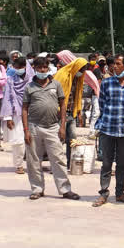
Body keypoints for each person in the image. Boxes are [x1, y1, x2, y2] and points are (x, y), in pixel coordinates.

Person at [23, 56, 80, 201]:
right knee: (34, 161)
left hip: (53, 127)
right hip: (34, 127)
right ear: (34, 69)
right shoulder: (29, 87)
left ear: (48, 68)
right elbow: (24, 109)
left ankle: (65, 189)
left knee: (58, 159)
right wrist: (26, 130)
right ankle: (37, 189)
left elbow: (63, 105)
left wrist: (62, 126)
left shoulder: (56, 84)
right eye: (39, 68)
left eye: (45, 67)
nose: (42, 70)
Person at [93, 54, 124, 206]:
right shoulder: (106, 83)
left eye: (118, 64)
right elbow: (102, 104)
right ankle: (103, 193)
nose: (114, 66)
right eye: (113, 64)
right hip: (107, 128)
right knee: (106, 163)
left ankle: (120, 193)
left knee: (122, 163)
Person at [0, 56, 32, 174]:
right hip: (16, 114)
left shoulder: (32, 81)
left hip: (32, 114)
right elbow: (7, 98)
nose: (19, 69)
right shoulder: (10, 80)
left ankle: (33, 164)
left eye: (21, 67)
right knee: (18, 141)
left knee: (33, 141)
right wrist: (8, 117)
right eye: (17, 67)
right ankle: (19, 165)